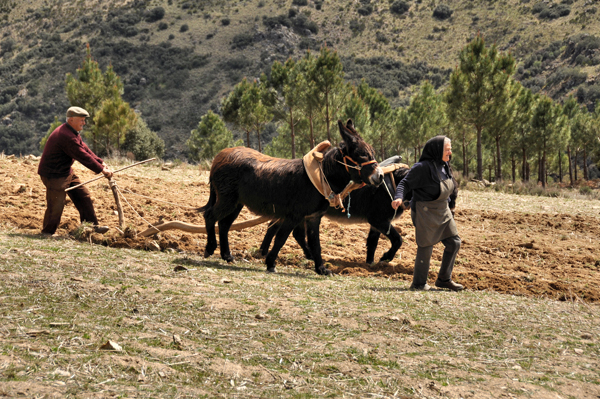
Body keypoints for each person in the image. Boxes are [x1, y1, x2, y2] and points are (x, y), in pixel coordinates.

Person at [391, 135, 463, 291]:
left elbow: (449, 190)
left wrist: (451, 208)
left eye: (450, 149)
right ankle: (419, 283)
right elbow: (405, 183)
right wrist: (398, 198)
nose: (450, 153)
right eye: (447, 149)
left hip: (443, 210)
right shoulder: (422, 167)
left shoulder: (444, 165)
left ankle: (444, 279)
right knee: (426, 246)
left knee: (454, 242)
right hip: (425, 211)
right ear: (437, 150)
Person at [38, 106, 113, 236]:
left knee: (84, 197)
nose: (84, 123)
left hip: (66, 172)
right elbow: (82, 156)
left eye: (84, 120)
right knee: (56, 204)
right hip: (53, 175)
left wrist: (101, 163)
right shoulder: (66, 136)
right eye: (82, 120)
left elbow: (85, 149)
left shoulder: (71, 132)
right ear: (71, 120)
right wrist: (101, 170)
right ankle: (46, 233)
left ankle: (92, 228)